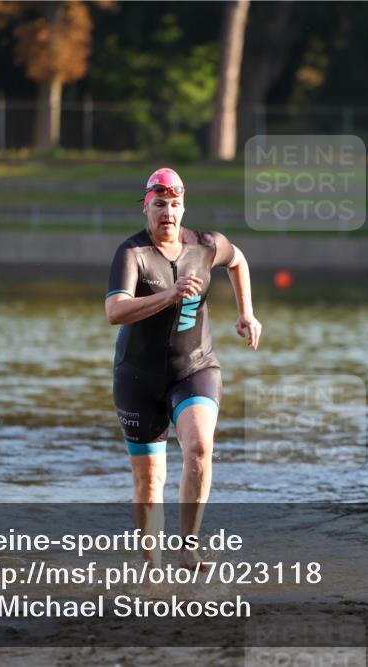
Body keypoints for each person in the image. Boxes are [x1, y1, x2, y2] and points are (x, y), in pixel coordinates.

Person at [105, 167, 261, 569]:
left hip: (195, 367)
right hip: (138, 378)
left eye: (175, 205)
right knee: (148, 482)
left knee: (199, 446)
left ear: (183, 207)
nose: (168, 213)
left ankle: (188, 546)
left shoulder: (206, 245)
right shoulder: (131, 253)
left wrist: (247, 313)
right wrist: (171, 295)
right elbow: (114, 311)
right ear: (146, 207)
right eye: (159, 205)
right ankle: (152, 567)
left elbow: (238, 260)